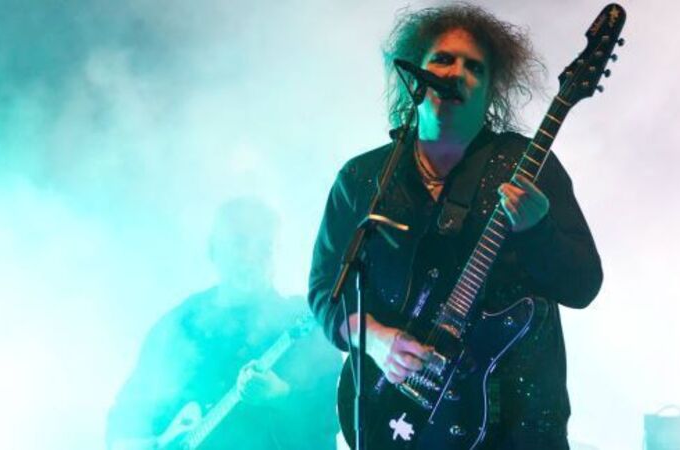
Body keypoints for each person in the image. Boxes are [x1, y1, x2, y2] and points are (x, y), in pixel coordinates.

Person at [308, 4, 602, 449]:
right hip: (396, 412)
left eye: (474, 67)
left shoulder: (527, 165)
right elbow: (325, 290)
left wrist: (538, 228)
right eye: (443, 59)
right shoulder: (364, 178)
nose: (456, 72)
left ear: (491, 90)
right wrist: (374, 339)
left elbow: (583, 286)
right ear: (414, 74)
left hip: (518, 424)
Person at [108, 197, 341, 450]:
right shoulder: (181, 325)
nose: (251, 257)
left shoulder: (306, 323)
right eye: (240, 243)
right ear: (212, 249)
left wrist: (282, 395)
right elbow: (128, 416)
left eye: (264, 247)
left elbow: (335, 415)